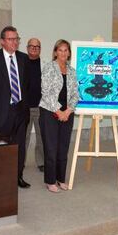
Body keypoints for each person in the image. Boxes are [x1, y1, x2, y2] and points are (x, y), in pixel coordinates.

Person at [0, 26, 31, 188]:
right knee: (2, 146)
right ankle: (2, 178)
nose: (15, 42)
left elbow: (27, 84)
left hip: (21, 110)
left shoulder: (24, 59)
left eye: (17, 39)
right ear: (2, 41)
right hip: (2, 111)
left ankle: (18, 176)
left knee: (20, 146)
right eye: (11, 39)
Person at [39, 39, 79, 192]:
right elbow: (46, 92)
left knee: (63, 147)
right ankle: (50, 181)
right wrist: (58, 111)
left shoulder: (72, 71)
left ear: (69, 53)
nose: (63, 53)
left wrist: (68, 111)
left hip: (67, 113)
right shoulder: (49, 68)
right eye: (60, 50)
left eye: (66, 50)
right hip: (50, 111)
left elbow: (76, 93)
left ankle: (61, 179)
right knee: (51, 147)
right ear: (55, 52)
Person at [25, 38, 45, 172]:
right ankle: (20, 162)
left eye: (37, 46)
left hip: (40, 106)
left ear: (40, 49)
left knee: (42, 137)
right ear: (27, 48)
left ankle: (41, 162)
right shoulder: (21, 63)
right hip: (24, 108)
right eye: (32, 46)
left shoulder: (45, 65)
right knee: (23, 137)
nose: (34, 48)